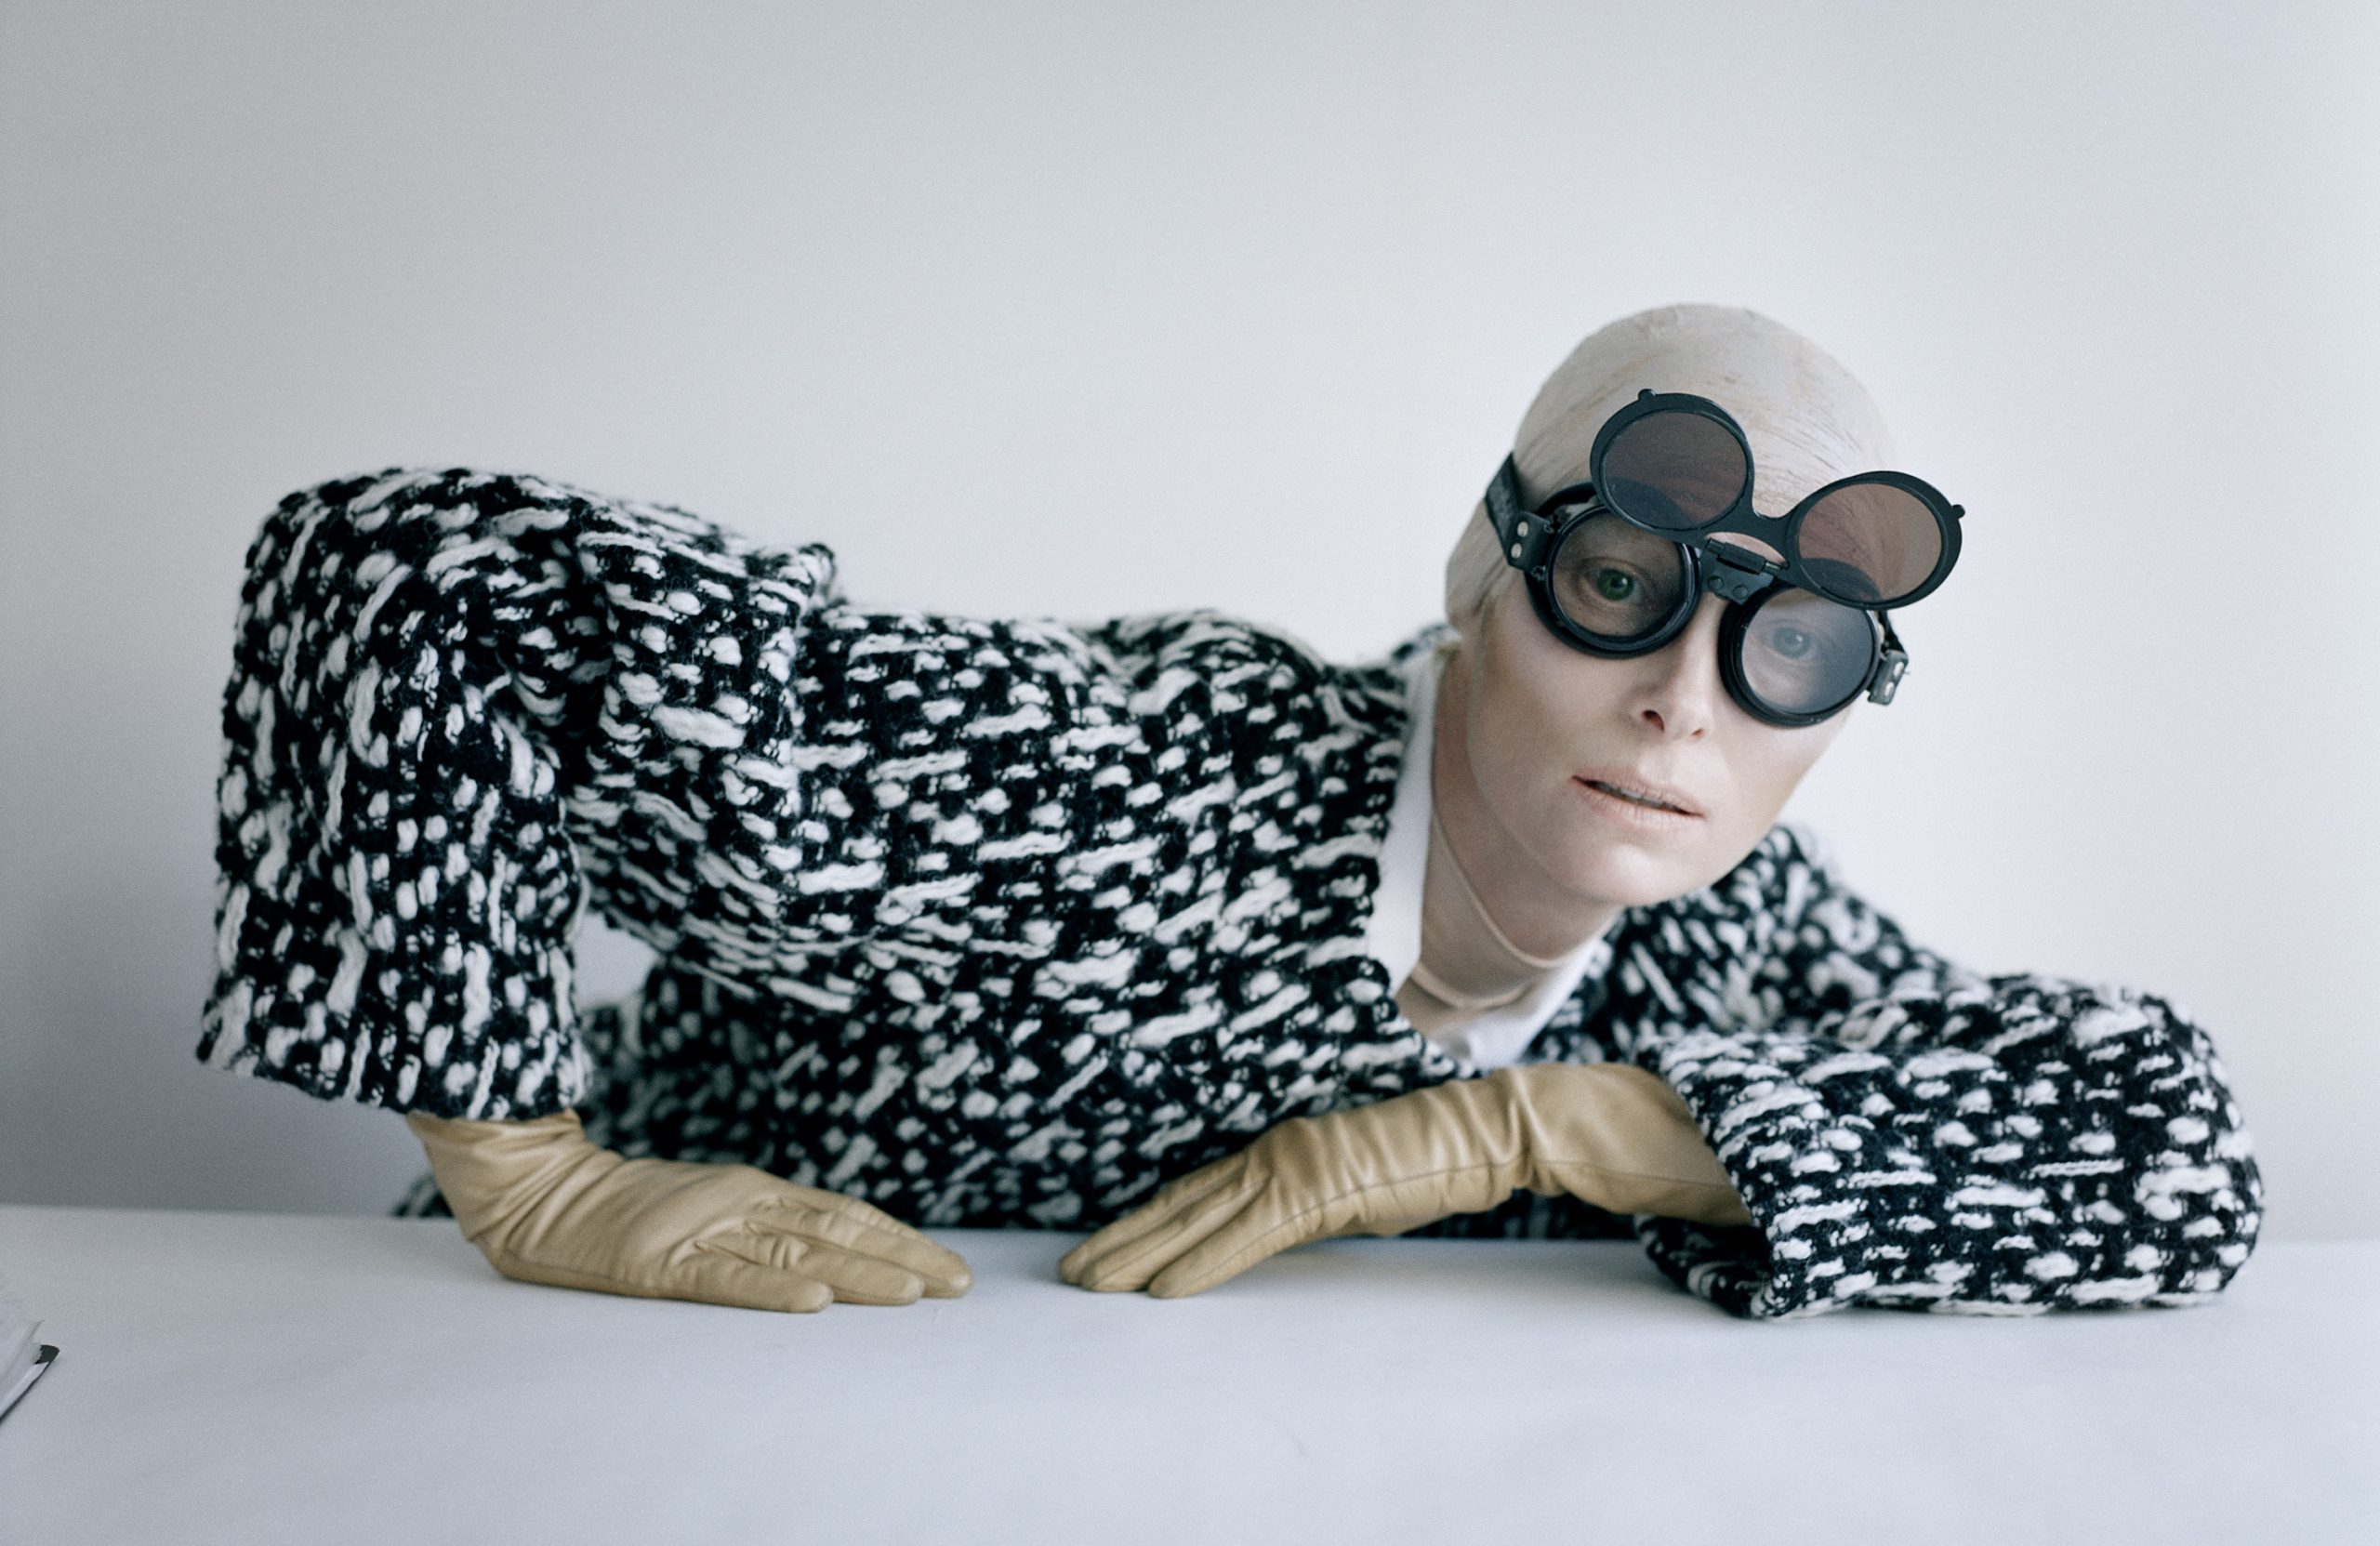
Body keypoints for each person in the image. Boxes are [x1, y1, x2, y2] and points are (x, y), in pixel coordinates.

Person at [199, 304, 2260, 1318]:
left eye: (1787, 646)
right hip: (570, 1410)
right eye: (1622, 584)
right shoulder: (1120, 783)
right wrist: (534, 1180)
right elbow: (409, 575)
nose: (1681, 703)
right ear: (1481, 578)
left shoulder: (1720, 925)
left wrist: (1522, 1126)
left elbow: (2164, 1148)